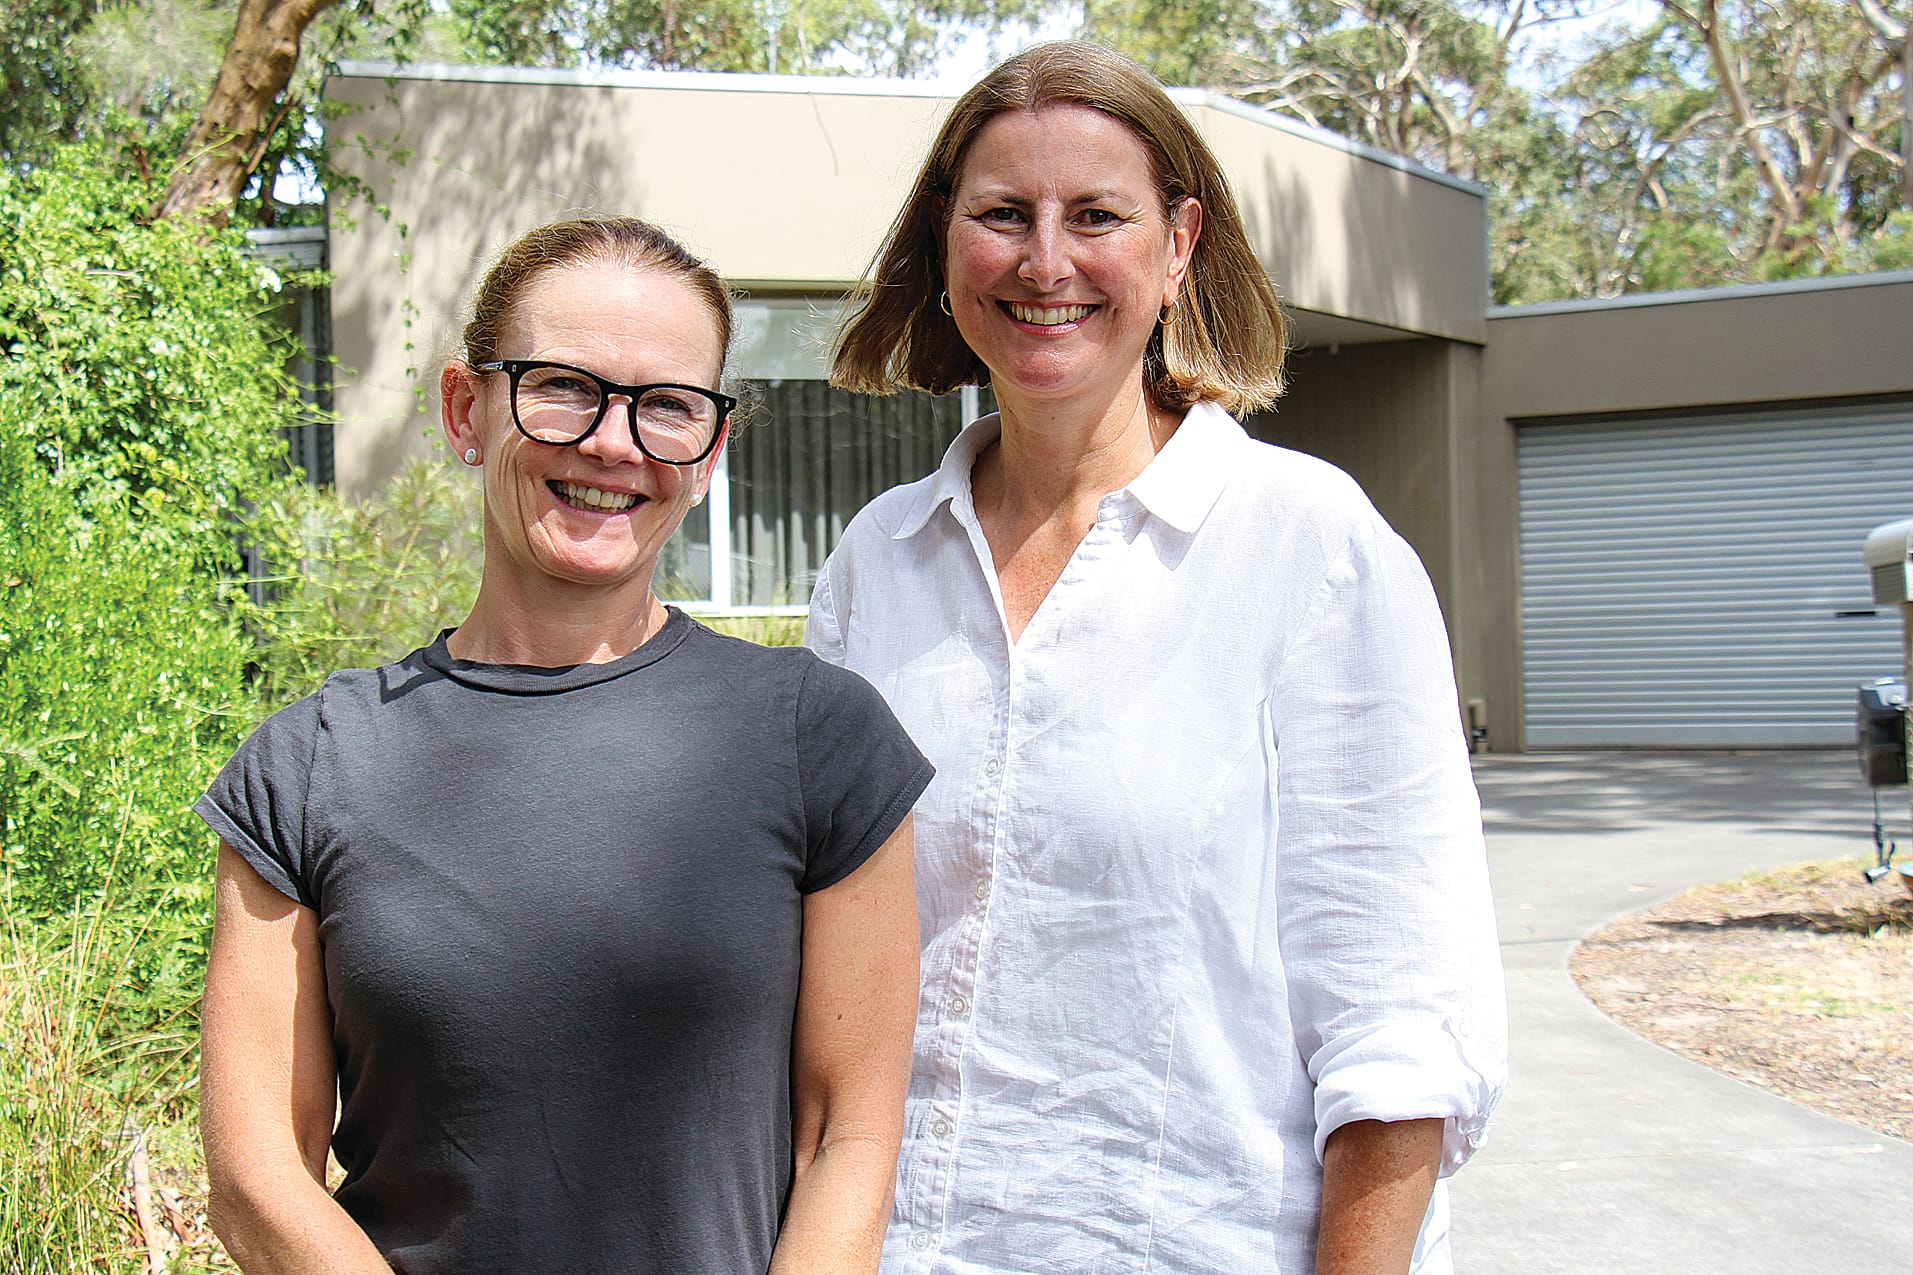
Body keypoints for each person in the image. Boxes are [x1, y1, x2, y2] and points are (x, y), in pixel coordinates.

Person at [808, 41, 1507, 1274]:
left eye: (1096, 216)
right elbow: (817, 979)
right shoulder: (878, 560)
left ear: (1177, 245)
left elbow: (1401, 1023)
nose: (1045, 261)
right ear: (942, 242)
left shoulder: (1309, 549)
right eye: (1001, 215)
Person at [196, 217, 933, 1275]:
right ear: (466, 408)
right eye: (561, 387)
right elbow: (256, 1174)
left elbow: (846, 1140)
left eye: (666, 406)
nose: (611, 443)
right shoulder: (308, 767)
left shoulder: (820, 740)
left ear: (711, 449)